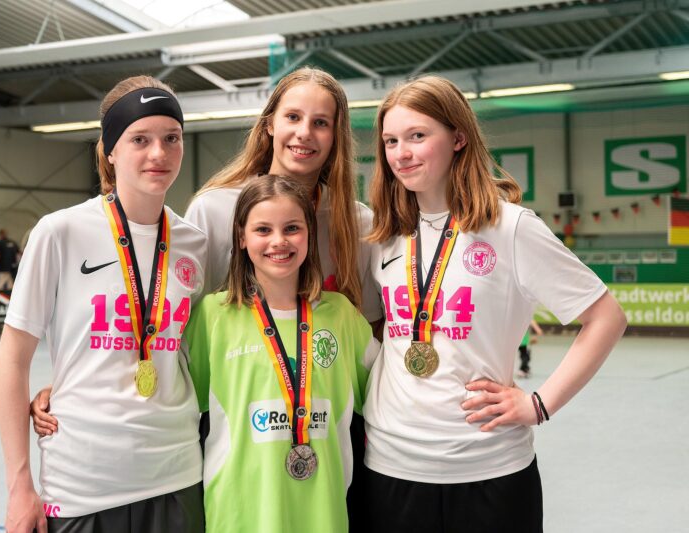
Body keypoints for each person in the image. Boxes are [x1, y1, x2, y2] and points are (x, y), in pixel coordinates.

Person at [363, 76, 627, 532]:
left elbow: (606, 317)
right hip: (391, 464)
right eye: (391, 141)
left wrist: (540, 404)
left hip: (489, 466)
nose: (401, 153)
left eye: (417, 136)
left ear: (458, 138)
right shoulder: (384, 233)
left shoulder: (510, 227)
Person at [0, 75, 207, 533]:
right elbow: (12, 359)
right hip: (82, 480)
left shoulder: (194, 244)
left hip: (177, 472)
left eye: (172, 138)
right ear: (111, 149)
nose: (159, 153)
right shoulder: (60, 232)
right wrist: (19, 485)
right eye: (140, 139)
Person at [183, 68, 381, 522]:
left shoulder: (358, 223)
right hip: (242, 444)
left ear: (335, 136)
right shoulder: (215, 209)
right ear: (269, 122)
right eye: (293, 116)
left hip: (326, 437)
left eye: (320, 122)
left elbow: (372, 330)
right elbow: (178, 328)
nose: (304, 133)